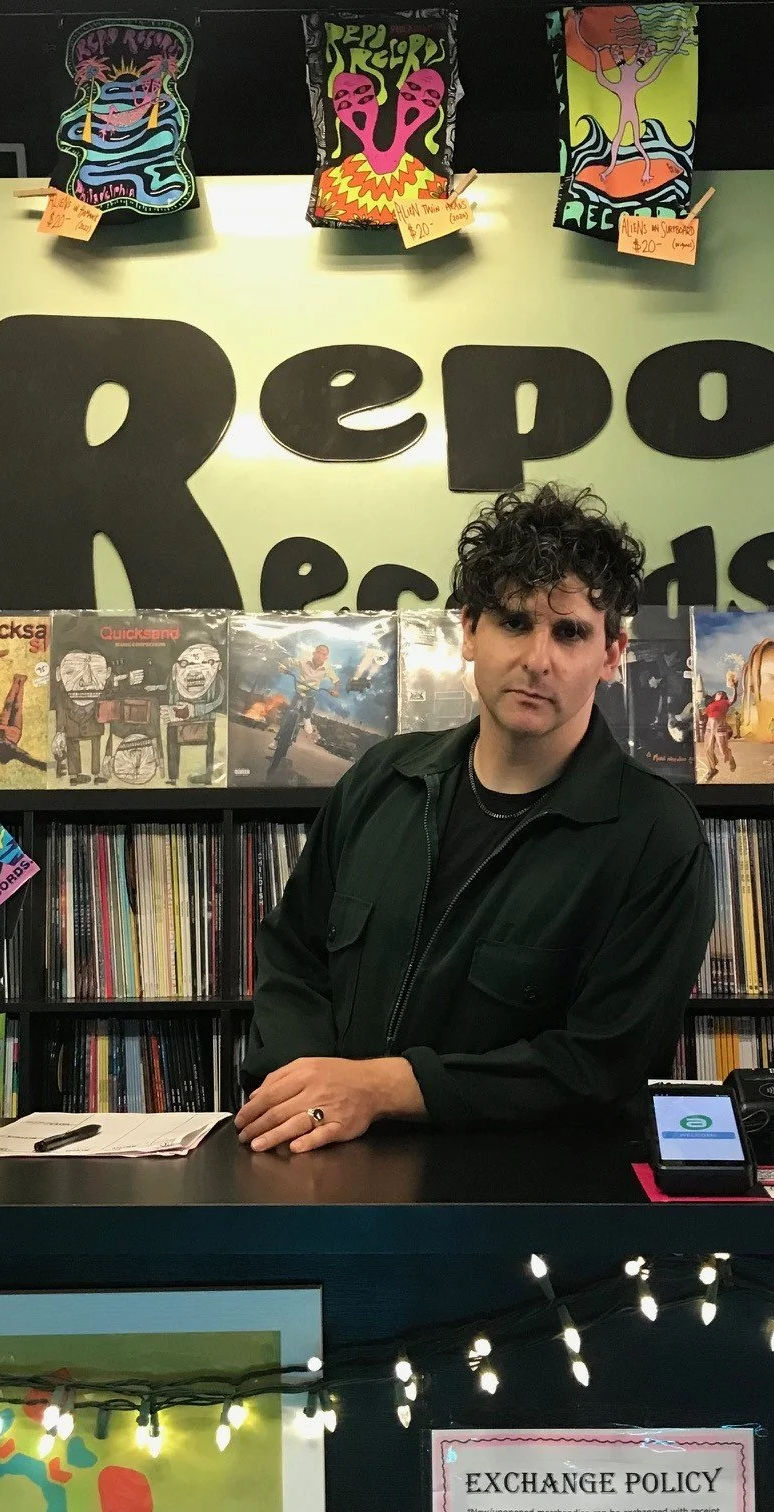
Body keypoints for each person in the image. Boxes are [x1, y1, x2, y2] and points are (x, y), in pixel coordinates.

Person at [236, 484, 713, 1153]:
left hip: (529, 1211)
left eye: (570, 632)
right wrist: (307, 1093)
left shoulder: (655, 835)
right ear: (469, 630)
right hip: (331, 1176)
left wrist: (377, 1088)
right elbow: (294, 956)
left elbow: (601, 1065)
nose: (537, 659)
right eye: (515, 621)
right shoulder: (381, 780)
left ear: (611, 654)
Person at [266, 642, 342, 780]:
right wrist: (283, 667)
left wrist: (336, 690)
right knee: (290, 713)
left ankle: (307, 719)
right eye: (318, 651)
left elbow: (336, 680)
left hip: (312, 692)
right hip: (299, 689)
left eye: (323, 654)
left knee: (312, 700)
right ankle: (277, 740)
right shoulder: (303, 660)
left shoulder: (327, 668)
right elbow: (289, 661)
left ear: (326, 657)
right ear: (314, 653)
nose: (320, 655)